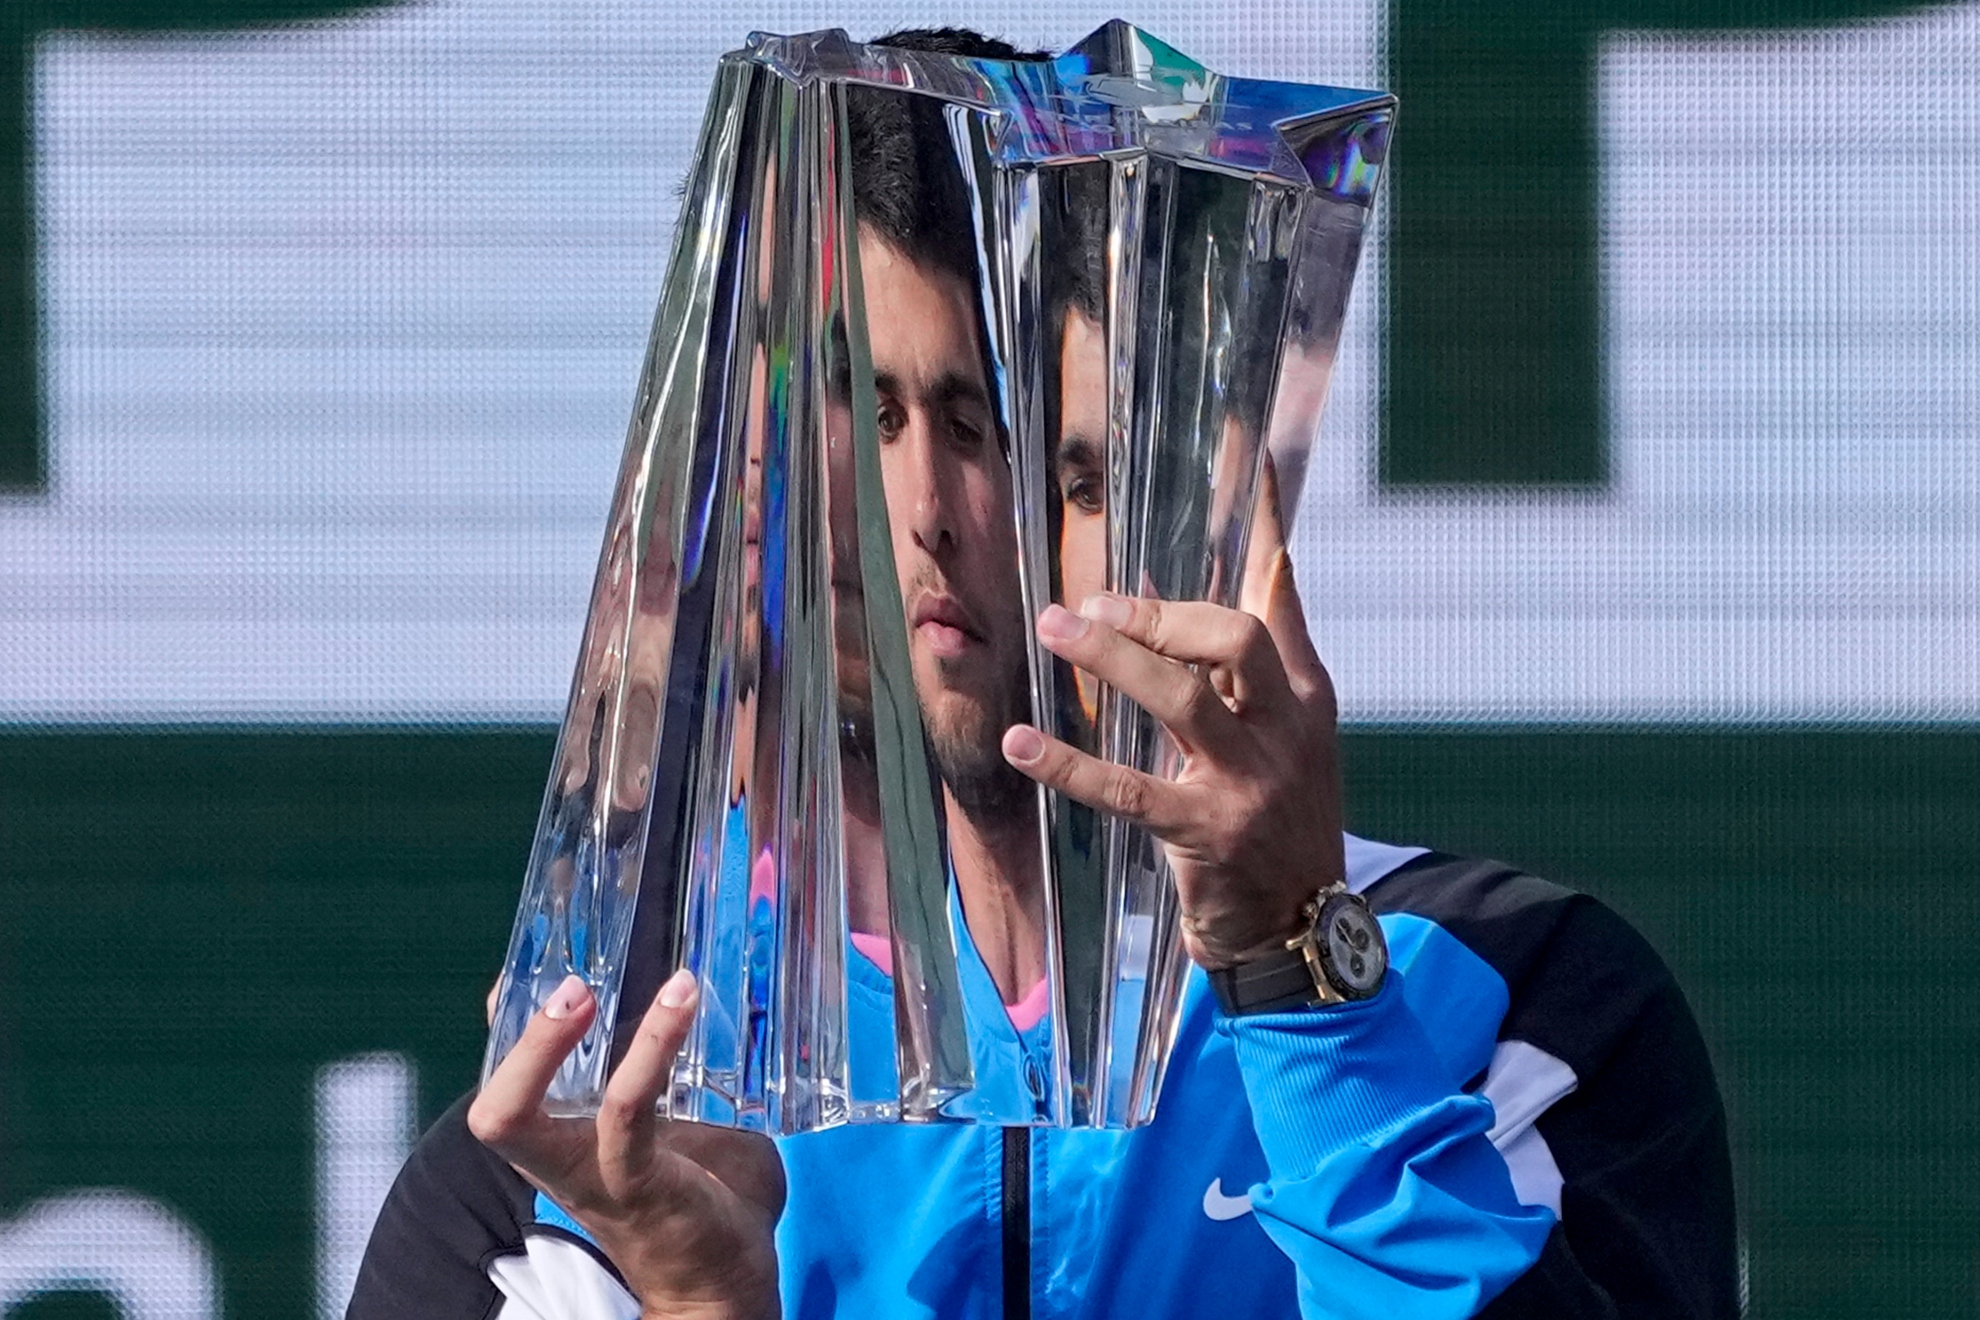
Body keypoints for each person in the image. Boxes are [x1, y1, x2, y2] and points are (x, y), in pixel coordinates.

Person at [348, 28, 1738, 1320]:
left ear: (1161, 493)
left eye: (993, 427)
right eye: (862, 412)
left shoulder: (1517, 1001)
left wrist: (1305, 993)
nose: (929, 512)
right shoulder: (601, 1138)